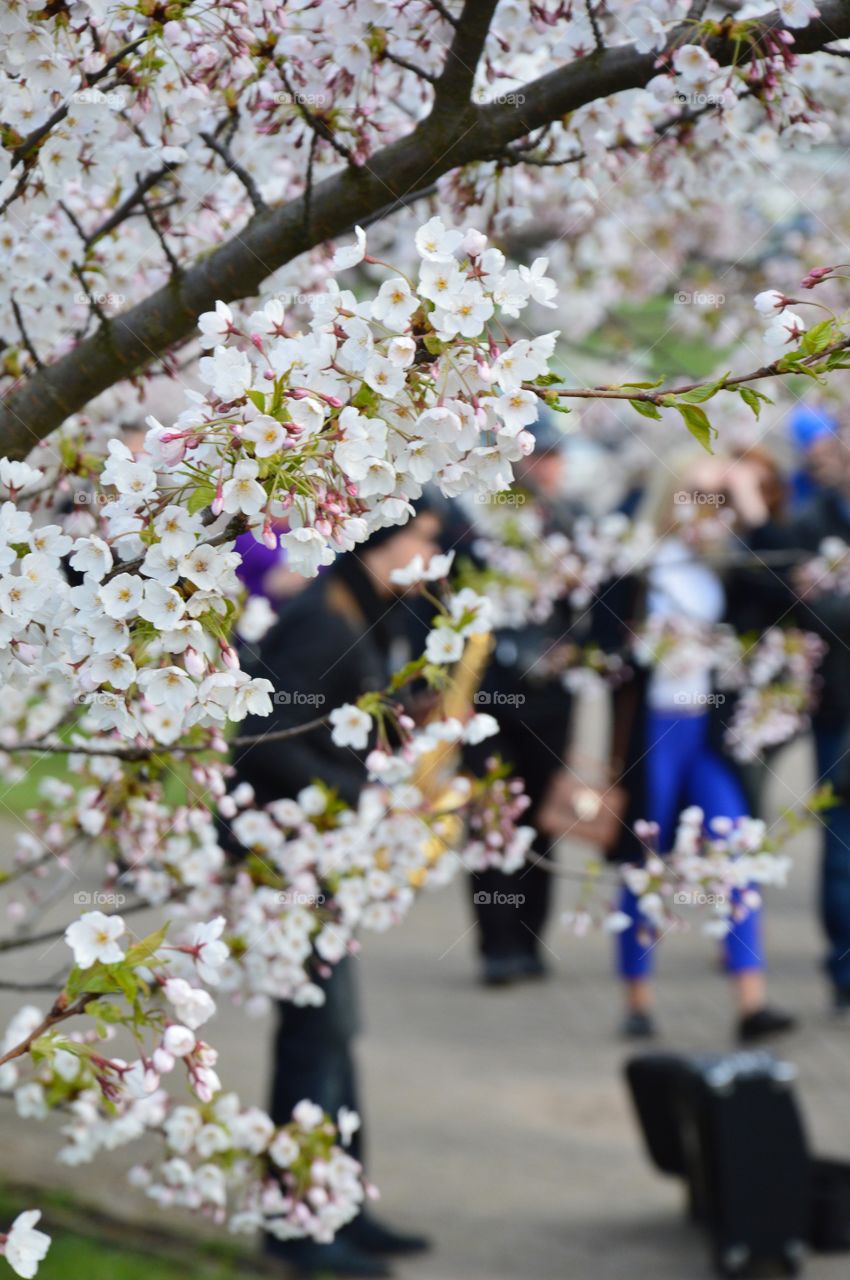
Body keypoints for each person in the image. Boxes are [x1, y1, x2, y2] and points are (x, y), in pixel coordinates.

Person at [229, 507, 442, 1277]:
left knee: (334, 1038)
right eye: (422, 540)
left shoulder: (361, 612)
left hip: (319, 857)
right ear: (381, 542)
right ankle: (300, 1228)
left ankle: (340, 1204)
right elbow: (256, 740)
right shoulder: (323, 622)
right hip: (294, 863)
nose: (430, 556)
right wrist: (357, 796)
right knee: (315, 1041)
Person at [599, 452, 796, 1042]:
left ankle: (750, 1002)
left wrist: (753, 506)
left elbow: (789, 597)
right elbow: (598, 647)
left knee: (737, 846)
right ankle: (637, 998)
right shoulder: (636, 567)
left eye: (717, 501)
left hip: (707, 734)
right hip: (651, 732)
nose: (705, 510)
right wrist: (646, 645)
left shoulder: (726, 569)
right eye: (694, 495)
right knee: (644, 859)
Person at [733, 431, 850, 1015]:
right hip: (836, 705)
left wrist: (827, 601)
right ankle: (844, 972)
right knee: (841, 844)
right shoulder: (811, 522)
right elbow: (783, 593)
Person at [465, 413, 583, 986]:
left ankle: (532, 938)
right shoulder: (490, 518)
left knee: (541, 817)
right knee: (491, 819)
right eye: (542, 457)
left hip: (551, 698)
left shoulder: (567, 523)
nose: (551, 468)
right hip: (491, 695)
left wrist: (576, 651)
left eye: (555, 457)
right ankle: (497, 943)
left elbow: (588, 611)